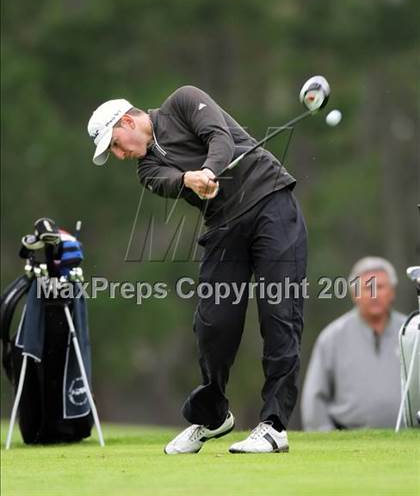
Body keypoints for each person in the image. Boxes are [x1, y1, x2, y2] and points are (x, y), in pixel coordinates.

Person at [88, 85, 307, 453]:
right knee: (212, 323)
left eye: (115, 144)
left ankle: (273, 426)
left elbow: (218, 136)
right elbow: (169, 182)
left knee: (279, 315)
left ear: (127, 121)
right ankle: (214, 416)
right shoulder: (147, 169)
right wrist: (190, 179)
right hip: (224, 223)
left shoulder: (183, 101)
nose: (119, 154)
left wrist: (209, 168)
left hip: (271, 201)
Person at [301, 256, 406, 431]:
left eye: (380, 287)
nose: (374, 294)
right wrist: (328, 442)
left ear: (392, 292)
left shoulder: (412, 332)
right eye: (367, 288)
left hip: (408, 441)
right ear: (354, 293)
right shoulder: (332, 337)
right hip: (348, 443)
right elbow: (315, 398)